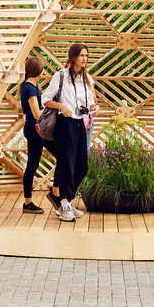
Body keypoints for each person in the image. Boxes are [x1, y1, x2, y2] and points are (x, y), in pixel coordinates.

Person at [42, 43, 96, 222]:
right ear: (73, 57)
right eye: (81, 55)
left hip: (81, 123)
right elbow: (45, 99)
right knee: (67, 164)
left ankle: (67, 201)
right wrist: (61, 106)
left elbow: (91, 103)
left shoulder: (87, 78)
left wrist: (94, 108)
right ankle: (64, 203)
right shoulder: (61, 76)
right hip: (64, 124)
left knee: (82, 165)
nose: (84, 59)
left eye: (86, 56)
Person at [20, 57, 48, 214]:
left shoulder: (31, 86)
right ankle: (27, 202)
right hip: (35, 129)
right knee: (32, 165)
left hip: (38, 130)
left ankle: (57, 193)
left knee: (61, 155)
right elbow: (37, 113)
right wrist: (53, 110)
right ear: (39, 70)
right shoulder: (30, 88)